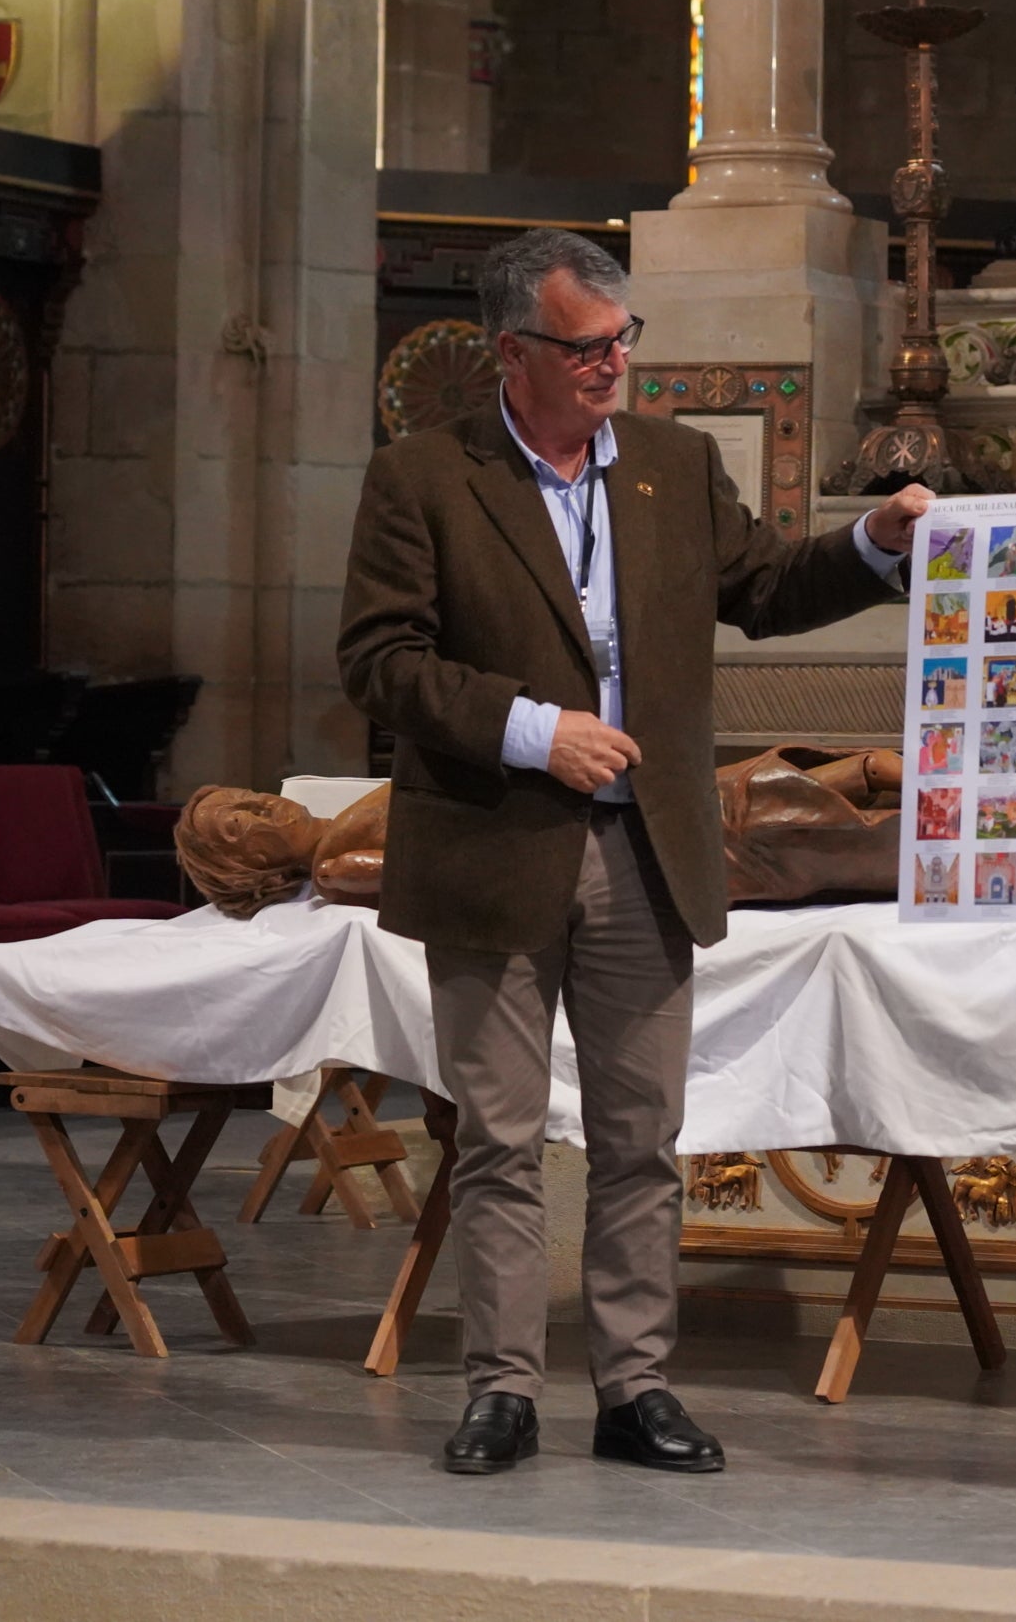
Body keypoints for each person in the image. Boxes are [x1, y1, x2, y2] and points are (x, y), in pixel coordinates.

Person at [339, 228, 930, 1478]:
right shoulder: (423, 476)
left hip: (646, 850)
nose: (614, 364)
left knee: (640, 1140)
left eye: (623, 340)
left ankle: (635, 1389)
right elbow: (380, 661)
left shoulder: (673, 463)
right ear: (512, 351)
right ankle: (502, 1392)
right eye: (586, 347)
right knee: (498, 1142)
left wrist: (874, 543)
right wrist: (531, 729)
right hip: (496, 845)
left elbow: (767, 588)